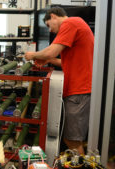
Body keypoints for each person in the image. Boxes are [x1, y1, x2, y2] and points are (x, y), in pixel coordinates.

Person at [25, 7, 94, 155]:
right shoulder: (77, 24)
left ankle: (80, 165)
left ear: (54, 16)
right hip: (79, 89)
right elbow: (67, 63)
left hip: (79, 90)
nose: (50, 31)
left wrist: (33, 55)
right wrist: (49, 60)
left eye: (49, 25)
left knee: (72, 141)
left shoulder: (71, 23)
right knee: (72, 139)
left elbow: (52, 51)